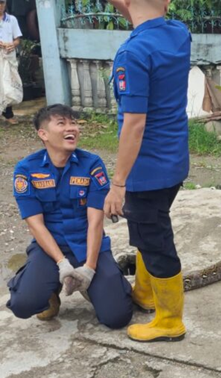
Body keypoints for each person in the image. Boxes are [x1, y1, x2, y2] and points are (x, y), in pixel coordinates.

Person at [104, 0, 191, 342]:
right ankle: (144, 293)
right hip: (174, 162)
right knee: (146, 232)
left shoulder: (132, 54)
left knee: (155, 242)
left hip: (146, 169)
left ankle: (170, 320)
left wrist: (118, 183)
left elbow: (134, 124)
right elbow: (143, 17)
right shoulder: (178, 34)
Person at [6, 104, 133, 329]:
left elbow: (95, 222)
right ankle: (50, 291)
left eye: (73, 123)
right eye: (62, 123)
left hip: (89, 246)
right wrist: (61, 263)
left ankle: (90, 285)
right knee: (23, 304)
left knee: (117, 317)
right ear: (43, 134)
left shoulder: (91, 164)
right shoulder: (26, 170)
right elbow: (36, 225)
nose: (71, 128)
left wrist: (90, 268)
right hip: (49, 249)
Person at [0, 0, 23, 125]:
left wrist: (11, 45)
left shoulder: (12, 19)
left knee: (8, 85)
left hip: (8, 57)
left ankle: (8, 114)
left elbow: (17, 39)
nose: (0, 6)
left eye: (2, 3)